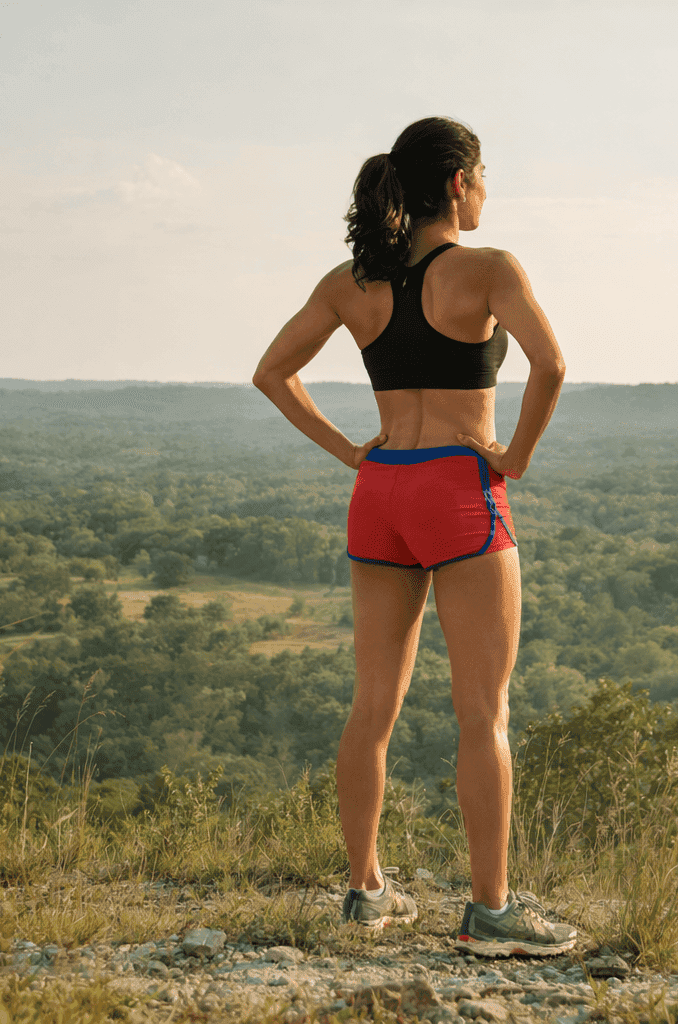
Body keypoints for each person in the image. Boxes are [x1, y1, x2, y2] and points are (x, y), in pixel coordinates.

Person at [253, 116, 573, 956]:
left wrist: (347, 449)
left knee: (372, 708)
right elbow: (552, 364)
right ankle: (492, 911)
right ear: (460, 183)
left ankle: (366, 893)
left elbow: (270, 372)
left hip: (381, 488)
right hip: (461, 488)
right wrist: (517, 458)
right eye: (483, 177)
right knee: (482, 713)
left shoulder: (352, 282)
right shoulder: (488, 269)